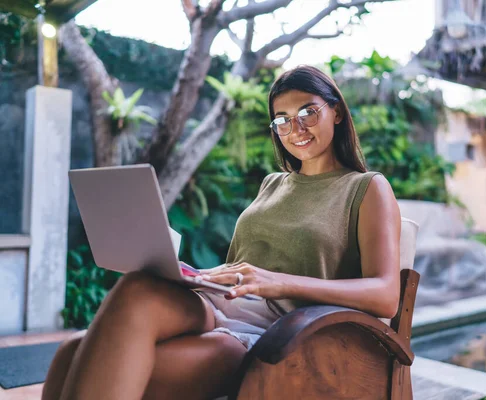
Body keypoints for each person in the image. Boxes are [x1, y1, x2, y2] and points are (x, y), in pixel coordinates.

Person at [43, 65, 401, 400]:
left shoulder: (366, 188)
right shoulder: (273, 184)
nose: (297, 129)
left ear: (336, 112)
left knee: (87, 360)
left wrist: (281, 282)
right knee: (85, 335)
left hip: (281, 330)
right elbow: (245, 266)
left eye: (308, 112)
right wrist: (200, 276)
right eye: (283, 121)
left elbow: (386, 295)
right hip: (220, 301)